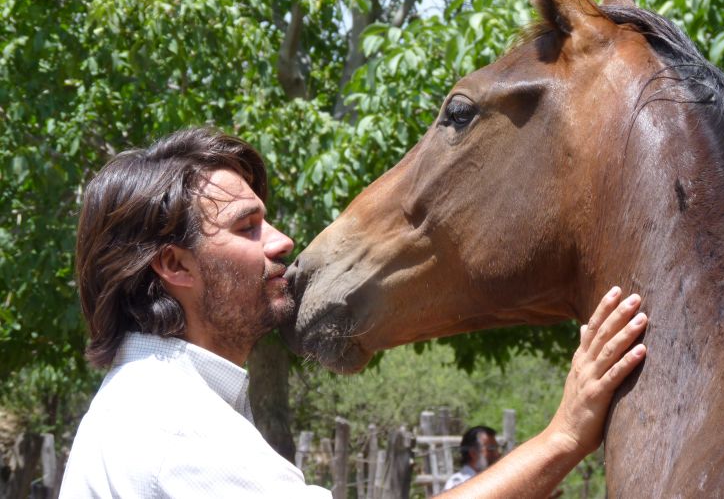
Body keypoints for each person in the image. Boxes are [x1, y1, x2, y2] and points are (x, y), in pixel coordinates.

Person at [59, 127, 648, 498]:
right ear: (175, 267)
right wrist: (564, 436)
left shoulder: (141, 402)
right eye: (248, 227)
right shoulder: (176, 427)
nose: (282, 241)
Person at [444, 426, 502, 490]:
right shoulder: (459, 483)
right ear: (473, 453)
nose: (498, 453)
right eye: (491, 448)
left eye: (496, 448)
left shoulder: (493, 480)